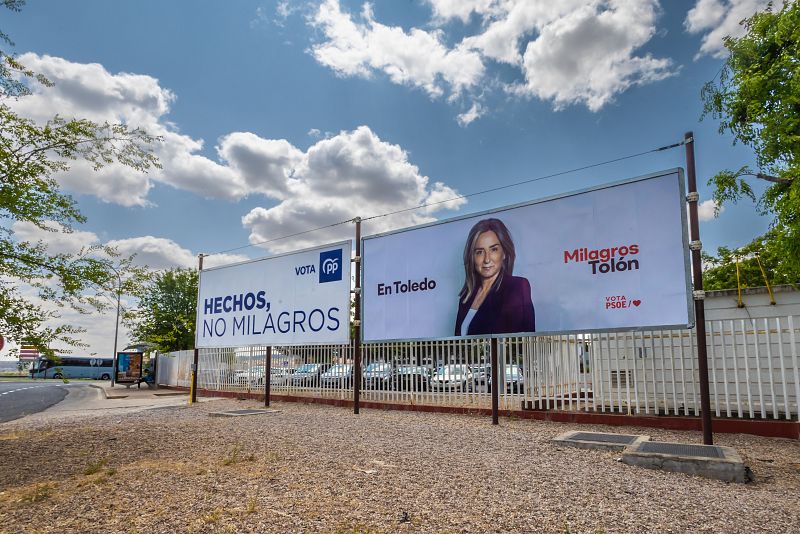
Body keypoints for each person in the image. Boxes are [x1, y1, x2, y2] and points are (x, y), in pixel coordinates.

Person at [454, 218, 535, 336]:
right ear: (472, 257)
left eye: (494, 249)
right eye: (480, 252)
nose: (487, 259)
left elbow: (526, 341)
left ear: (505, 253)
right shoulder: (466, 297)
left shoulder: (517, 287)